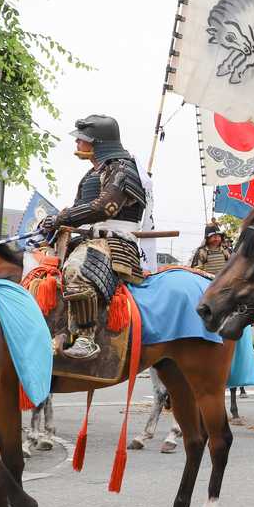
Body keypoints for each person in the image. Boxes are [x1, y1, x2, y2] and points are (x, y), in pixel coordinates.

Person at [38, 115, 147, 359]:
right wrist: (55, 228)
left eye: (82, 139)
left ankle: (86, 338)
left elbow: (102, 207)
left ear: (99, 143)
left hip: (115, 241)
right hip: (88, 239)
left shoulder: (123, 168)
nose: (77, 143)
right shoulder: (93, 173)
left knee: (77, 270)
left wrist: (60, 217)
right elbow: (81, 211)